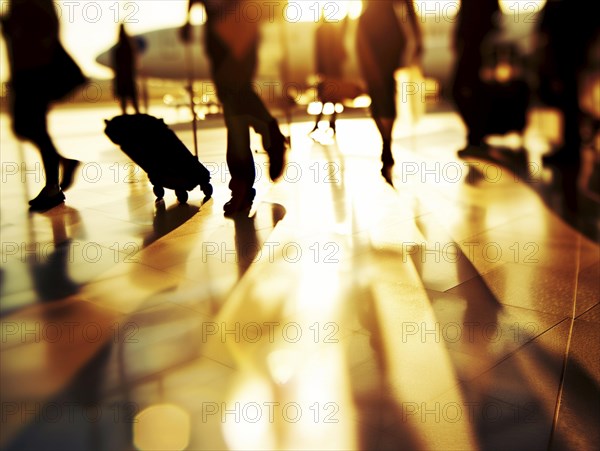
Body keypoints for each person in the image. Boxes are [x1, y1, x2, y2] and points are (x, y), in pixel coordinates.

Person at [181, 0, 288, 217]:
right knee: (234, 108)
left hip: (239, 26)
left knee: (235, 100)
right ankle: (244, 182)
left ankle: (242, 183)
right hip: (217, 37)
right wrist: (189, 19)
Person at [1, 0, 85, 212]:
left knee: (36, 128)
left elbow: (44, 29)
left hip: (36, 72)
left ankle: (52, 187)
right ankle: (63, 165)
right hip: (24, 72)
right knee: (23, 128)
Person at [356, 0, 422, 185]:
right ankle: (387, 142)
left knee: (376, 92)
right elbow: (408, 6)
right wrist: (417, 36)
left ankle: (386, 142)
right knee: (384, 90)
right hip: (386, 33)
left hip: (369, 32)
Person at [451, 0, 500, 159]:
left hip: (473, 43)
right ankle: (476, 135)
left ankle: (476, 136)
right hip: (473, 42)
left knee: (462, 90)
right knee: (473, 91)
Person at [310, 15, 348, 136]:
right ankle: (331, 123)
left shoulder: (320, 30)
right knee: (332, 98)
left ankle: (321, 124)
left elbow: (318, 52)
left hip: (328, 71)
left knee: (326, 98)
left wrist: (319, 70)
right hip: (334, 70)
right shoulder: (331, 29)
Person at [112, 23, 140, 115]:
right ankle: (136, 113)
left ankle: (125, 114)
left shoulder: (118, 48)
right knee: (132, 99)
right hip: (128, 77)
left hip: (122, 77)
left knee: (124, 99)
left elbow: (115, 65)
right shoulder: (129, 47)